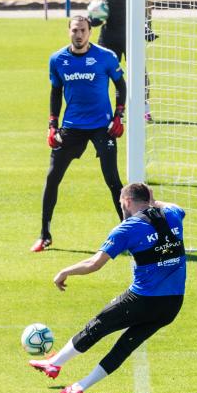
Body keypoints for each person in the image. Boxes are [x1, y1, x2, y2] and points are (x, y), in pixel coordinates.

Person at [29, 182, 187, 393]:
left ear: (127, 202)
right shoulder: (172, 215)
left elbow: (95, 263)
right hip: (172, 305)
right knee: (124, 346)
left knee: (97, 326)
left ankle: (54, 364)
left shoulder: (128, 228)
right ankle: (81, 386)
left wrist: (65, 271)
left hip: (142, 299)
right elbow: (176, 207)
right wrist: (152, 200)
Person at [30, 15, 127, 253]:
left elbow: (121, 85)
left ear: (90, 32)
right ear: (69, 32)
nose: (79, 34)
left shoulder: (105, 57)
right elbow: (55, 91)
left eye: (83, 30)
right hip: (72, 126)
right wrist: (52, 124)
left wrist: (118, 115)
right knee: (53, 178)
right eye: (75, 30)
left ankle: (128, 234)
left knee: (113, 180)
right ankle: (44, 235)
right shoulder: (58, 59)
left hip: (101, 126)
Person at [91, 0, 157, 121]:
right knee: (102, 71)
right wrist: (94, 17)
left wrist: (147, 26)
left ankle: (145, 109)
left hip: (130, 31)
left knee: (138, 72)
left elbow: (146, 1)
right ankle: (104, 110)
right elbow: (102, 3)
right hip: (108, 33)